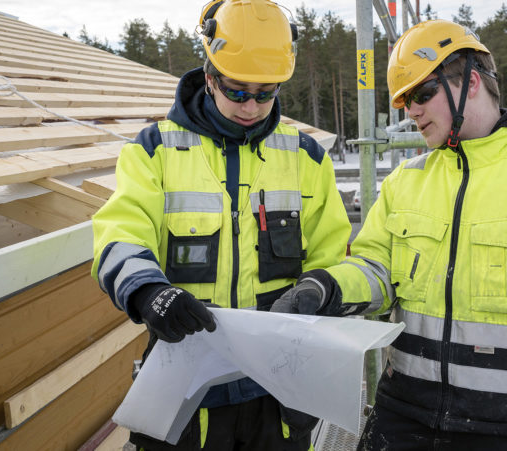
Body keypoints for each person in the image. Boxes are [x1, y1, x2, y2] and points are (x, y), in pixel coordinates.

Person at [271, 19, 507, 450]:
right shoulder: (405, 181)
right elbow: (376, 269)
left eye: (422, 94)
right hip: (405, 414)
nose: (412, 111)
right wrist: (326, 287)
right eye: (406, 100)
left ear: (473, 83)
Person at [91, 1, 351, 449]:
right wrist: (149, 291)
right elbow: (120, 234)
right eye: (237, 91)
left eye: (265, 93)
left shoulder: (305, 158)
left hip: (277, 389)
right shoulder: (155, 150)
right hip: (186, 386)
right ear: (210, 76)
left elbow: (332, 255)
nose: (251, 106)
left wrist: (319, 292)